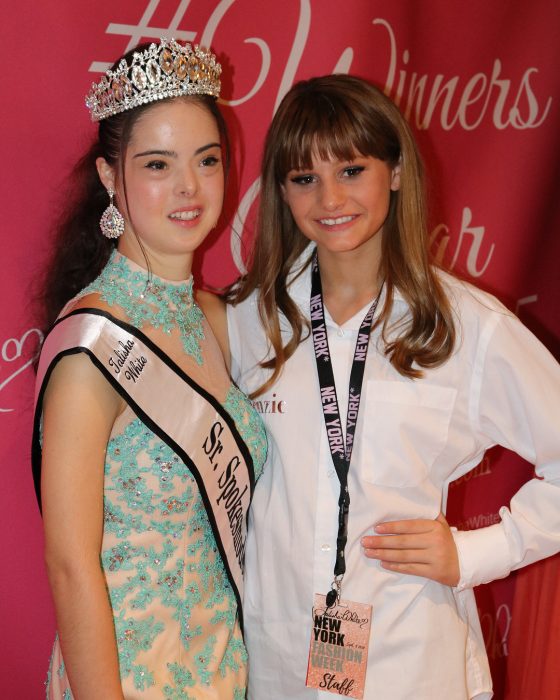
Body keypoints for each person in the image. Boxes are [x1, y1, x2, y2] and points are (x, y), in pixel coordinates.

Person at [227, 75, 560, 699]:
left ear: (396, 171)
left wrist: (479, 552)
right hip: (276, 664)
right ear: (281, 192)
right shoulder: (249, 320)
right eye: (304, 178)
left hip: (410, 663)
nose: (329, 197)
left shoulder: (467, 327)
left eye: (352, 170)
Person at [32, 39, 266, 699]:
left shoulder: (217, 318)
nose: (189, 188)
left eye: (207, 160)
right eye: (158, 164)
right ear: (111, 178)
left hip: (230, 672)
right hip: (130, 680)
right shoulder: (91, 350)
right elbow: (71, 567)